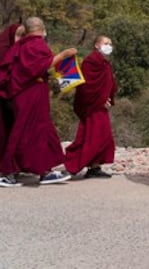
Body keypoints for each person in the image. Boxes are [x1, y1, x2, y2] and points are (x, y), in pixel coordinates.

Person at [0, 17, 75, 187]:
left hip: (25, 94)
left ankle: (45, 171)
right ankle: (9, 174)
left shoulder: (20, 46)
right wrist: (63, 55)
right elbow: (40, 66)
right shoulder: (37, 44)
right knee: (27, 133)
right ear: (42, 28)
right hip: (31, 94)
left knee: (41, 132)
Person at [64, 35, 117, 178]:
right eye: (106, 43)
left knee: (103, 137)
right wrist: (100, 100)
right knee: (92, 138)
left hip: (101, 106)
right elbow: (86, 87)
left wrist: (108, 99)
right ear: (97, 45)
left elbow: (108, 84)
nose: (109, 46)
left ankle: (94, 167)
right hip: (93, 107)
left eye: (110, 44)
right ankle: (71, 166)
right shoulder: (90, 61)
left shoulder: (104, 63)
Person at [0, 23, 24, 162]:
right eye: (19, 35)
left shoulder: (21, 50)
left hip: (14, 97)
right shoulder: (3, 50)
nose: (21, 39)